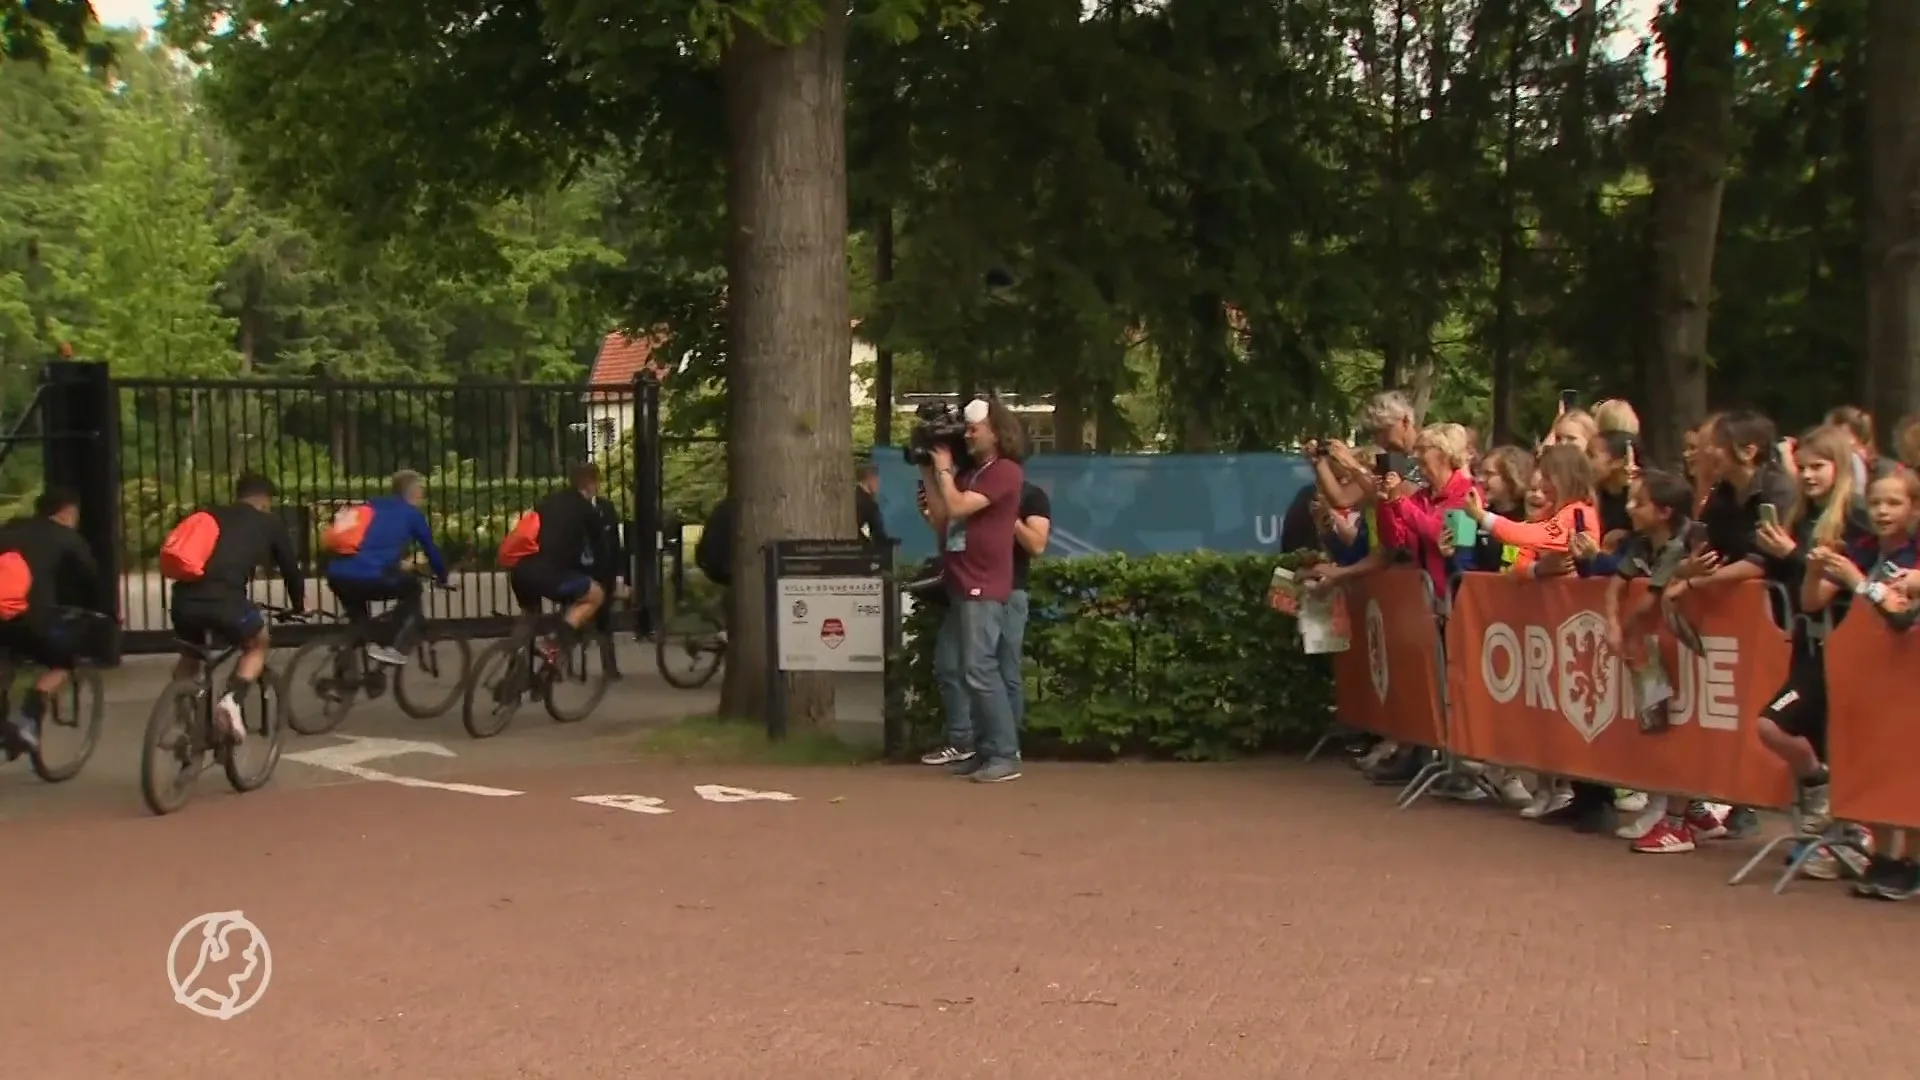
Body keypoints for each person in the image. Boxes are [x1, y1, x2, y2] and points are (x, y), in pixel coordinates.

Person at [1747, 426, 1870, 877]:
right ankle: (1827, 811)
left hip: (1840, 642)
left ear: (1839, 468)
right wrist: (1775, 552)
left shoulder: (1855, 518)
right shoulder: (1799, 514)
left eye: (1819, 466)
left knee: (1776, 723)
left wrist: (1795, 553)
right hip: (1806, 639)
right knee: (1805, 733)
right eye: (1805, 466)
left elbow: (1839, 578)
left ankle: (1849, 831)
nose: (1809, 474)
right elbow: (1794, 583)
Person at [1802, 468, 1920, 899]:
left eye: (1894, 503)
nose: (1883, 512)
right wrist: (1816, 570)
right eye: (1876, 503)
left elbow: (1899, 614)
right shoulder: (1863, 548)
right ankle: (1886, 855)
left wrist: (1858, 581)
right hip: (1871, 674)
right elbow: (1813, 601)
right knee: (1881, 761)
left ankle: (1910, 861)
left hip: (1911, 675)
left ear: (1914, 508)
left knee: (1911, 764)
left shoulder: (1915, 553)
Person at [920, 398, 1027, 783]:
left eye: (974, 428)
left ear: (996, 432)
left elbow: (961, 507)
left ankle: (1004, 753)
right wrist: (930, 471)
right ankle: (986, 752)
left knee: (981, 669)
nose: (966, 433)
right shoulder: (971, 473)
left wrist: (946, 470)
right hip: (963, 580)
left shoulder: (1006, 472)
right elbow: (942, 515)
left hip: (985, 581)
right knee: (968, 671)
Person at [165, 473, 304, 744]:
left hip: (183, 601)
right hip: (225, 601)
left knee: (191, 656)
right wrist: (298, 603)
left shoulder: (210, 515)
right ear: (265, 500)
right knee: (257, 642)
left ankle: (181, 719)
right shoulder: (268, 523)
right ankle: (231, 701)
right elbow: (289, 567)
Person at [0, 488, 107, 757]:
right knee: (64, 659)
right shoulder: (67, 538)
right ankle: (29, 717)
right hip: (31, 618)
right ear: (68, 511)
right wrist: (104, 613)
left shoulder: (8, 530)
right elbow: (91, 582)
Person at [323, 470, 450, 667]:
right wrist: (442, 576)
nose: (422, 495)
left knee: (360, 622)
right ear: (414, 491)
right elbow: (431, 550)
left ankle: (350, 659)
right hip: (370, 577)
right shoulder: (411, 515)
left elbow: (369, 543)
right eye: (421, 490)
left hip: (337, 576)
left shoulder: (368, 508)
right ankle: (396, 649)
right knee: (413, 590)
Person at [505, 462, 607, 641]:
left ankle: (515, 655)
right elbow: (600, 549)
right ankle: (555, 645)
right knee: (595, 595)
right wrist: (603, 576)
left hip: (521, 571)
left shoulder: (548, 502)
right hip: (551, 575)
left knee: (530, 616)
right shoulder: (587, 510)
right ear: (590, 483)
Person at [587, 487, 628, 677]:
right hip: (581, 572)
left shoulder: (606, 507)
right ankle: (564, 664)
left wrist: (619, 574)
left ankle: (610, 666)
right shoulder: (572, 508)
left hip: (605, 572)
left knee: (605, 620)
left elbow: (615, 544)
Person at [855, 463, 890, 547]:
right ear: (869, 479)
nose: (878, 485)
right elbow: (876, 530)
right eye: (876, 480)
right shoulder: (869, 504)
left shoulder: (854, 496)